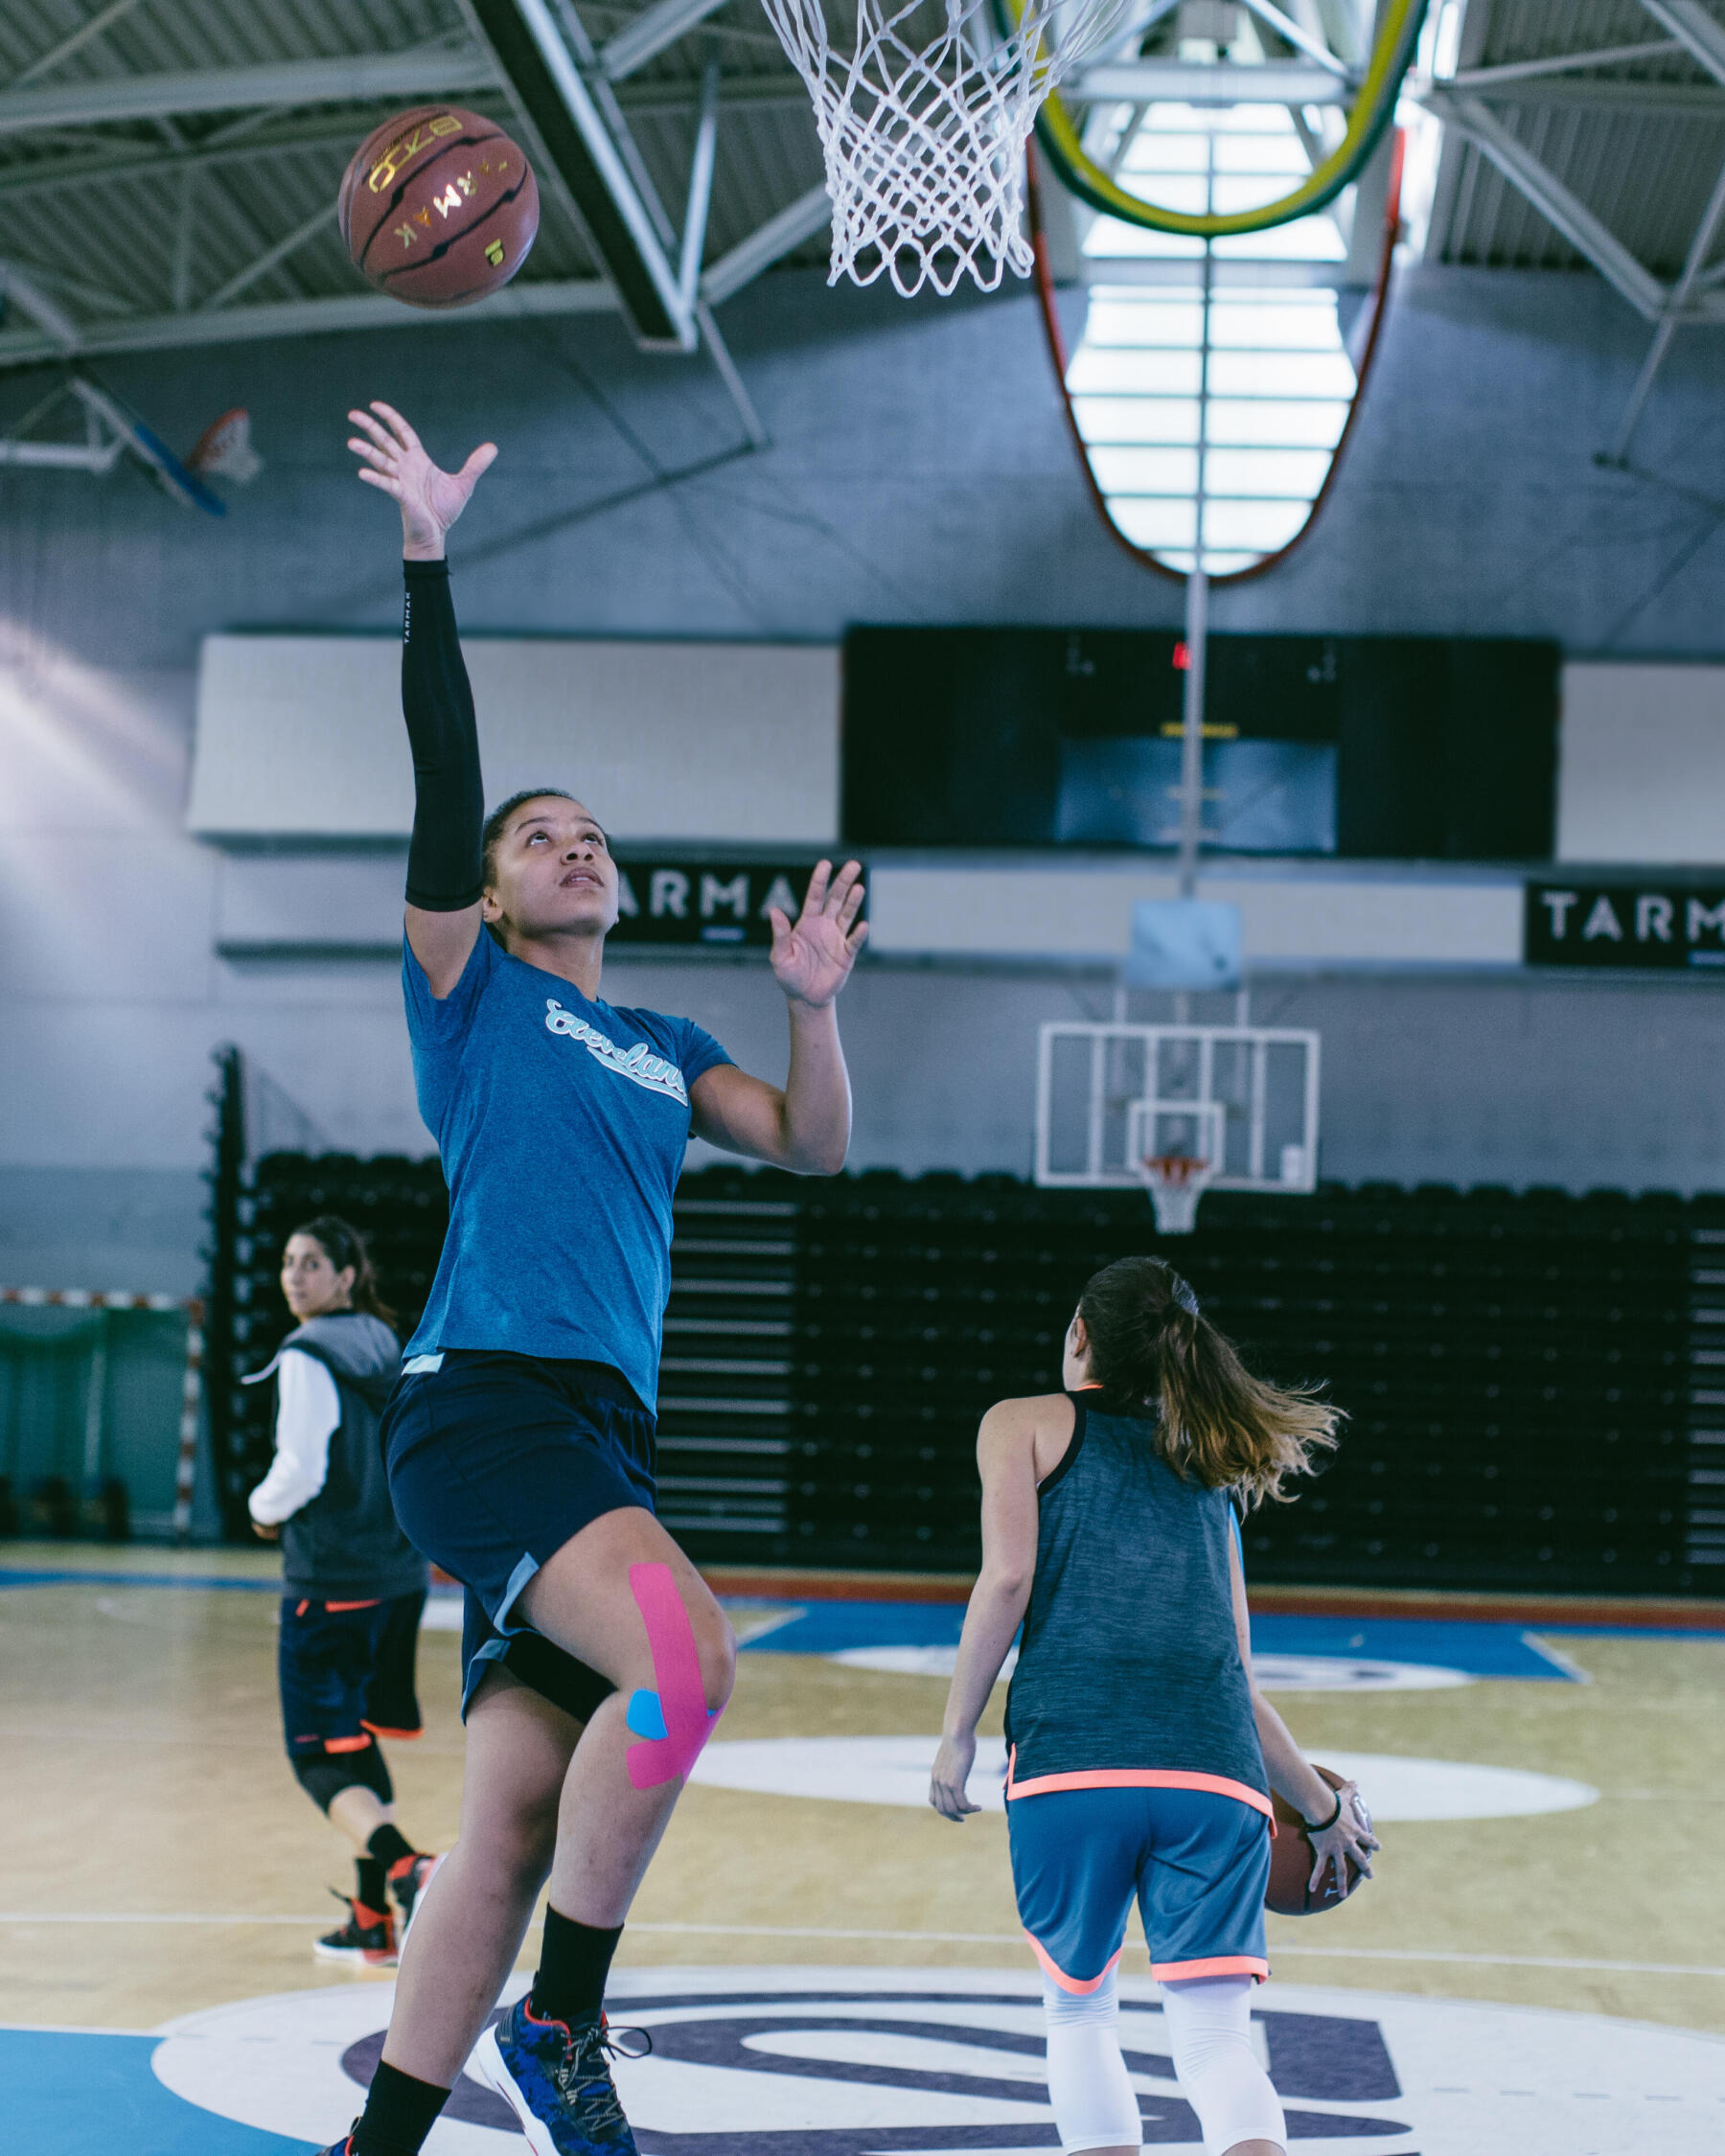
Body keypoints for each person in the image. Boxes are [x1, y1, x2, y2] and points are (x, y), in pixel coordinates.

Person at [317, 401, 866, 2156]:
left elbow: (809, 1142)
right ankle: (564, 2021)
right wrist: (426, 557)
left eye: (588, 830)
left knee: (512, 1825)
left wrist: (815, 1003)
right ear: (484, 887)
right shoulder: (470, 990)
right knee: (692, 1667)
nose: (575, 842)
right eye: (539, 832)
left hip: (597, 1444)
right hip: (483, 1411)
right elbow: (437, 767)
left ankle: (381, 2149)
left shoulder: (658, 1035)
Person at [930, 1255, 1379, 2156]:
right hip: (1214, 1773)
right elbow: (1238, 1682)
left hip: (1073, 1761)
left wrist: (955, 1737)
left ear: (1079, 1336)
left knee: (1079, 2013)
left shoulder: (1018, 1424)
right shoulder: (1210, 1465)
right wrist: (1324, 1812)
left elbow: (1007, 1577)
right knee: (1215, 2040)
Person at [246, 1215, 440, 1967]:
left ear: (347, 1274)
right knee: (353, 1738)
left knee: (315, 1757)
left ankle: (407, 1868)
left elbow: (301, 1469)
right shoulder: (379, 1341)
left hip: (330, 1582)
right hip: (396, 1577)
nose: (295, 1276)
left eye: (313, 1263)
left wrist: (263, 1515)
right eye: (289, 1262)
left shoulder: (306, 1354)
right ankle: (370, 1918)